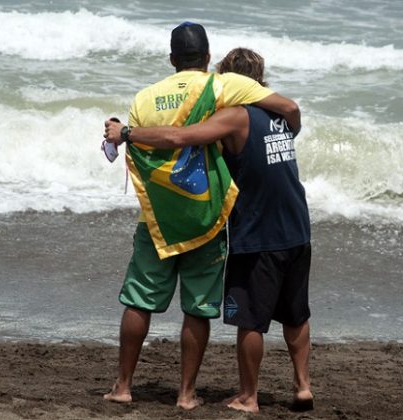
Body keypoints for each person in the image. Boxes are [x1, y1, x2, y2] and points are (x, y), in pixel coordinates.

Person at [103, 23, 301, 410]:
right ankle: (187, 394)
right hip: (207, 218)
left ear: (172, 59)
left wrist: (122, 132)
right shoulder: (223, 86)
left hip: (157, 219)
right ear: (208, 58)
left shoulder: (143, 98)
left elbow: (141, 152)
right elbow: (287, 108)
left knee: (139, 302)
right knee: (196, 308)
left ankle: (123, 387)